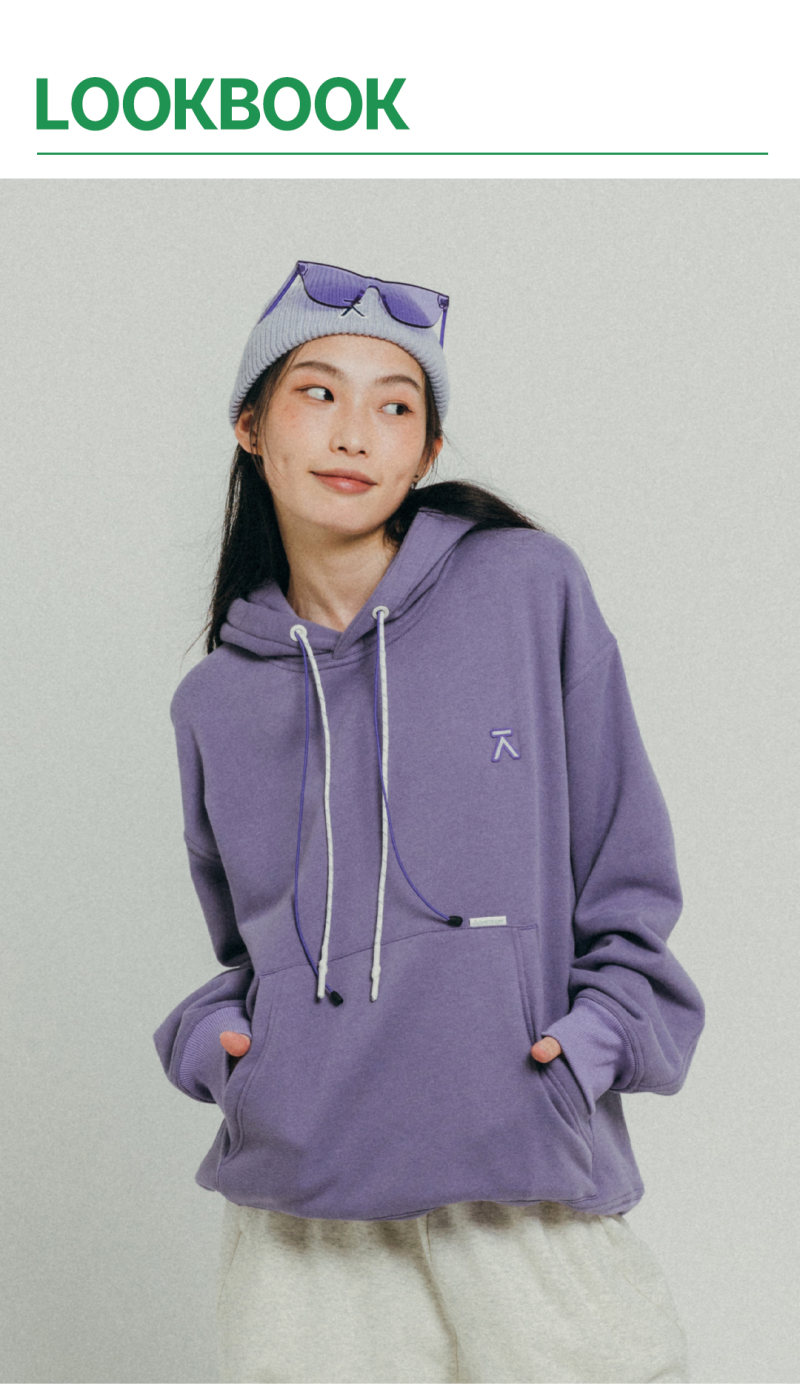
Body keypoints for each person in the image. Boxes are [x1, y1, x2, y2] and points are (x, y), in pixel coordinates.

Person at [154, 258, 706, 1383]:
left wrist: (586, 1049)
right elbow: (254, 952)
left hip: (521, 1188)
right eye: (317, 392)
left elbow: (628, 875)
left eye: (395, 407)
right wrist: (221, 1050)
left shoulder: (527, 590)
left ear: (426, 451)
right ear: (250, 426)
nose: (354, 433)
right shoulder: (215, 700)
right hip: (304, 1226)